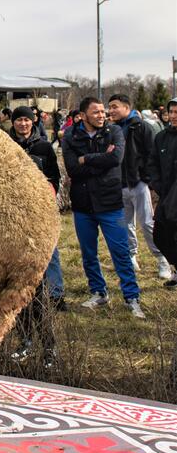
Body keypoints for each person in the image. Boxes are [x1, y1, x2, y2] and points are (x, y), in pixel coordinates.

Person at [62, 97, 143, 318]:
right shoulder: (70, 135)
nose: (102, 115)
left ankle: (132, 296)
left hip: (110, 203)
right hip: (83, 204)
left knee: (121, 252)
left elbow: (115, 159)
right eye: (96, 112)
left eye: (102, 111)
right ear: (83, 116)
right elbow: (72, 169)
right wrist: (100, 159)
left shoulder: (114, 131)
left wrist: (85, 159)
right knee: (89, 253)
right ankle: (98, 291)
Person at [7, 106, 64, 366]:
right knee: (16, 290)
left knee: (37, 289)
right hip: (13, 220)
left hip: (37, 220)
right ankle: (25, 340)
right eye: (19, 119)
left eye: (26, 120)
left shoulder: (43, 147)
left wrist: (43, 198)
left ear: (33, 122)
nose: (23, 124)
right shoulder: (5, 145)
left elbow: (55, 179)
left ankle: (49, 346)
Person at [107, 93, 171, 278]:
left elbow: (152, 155)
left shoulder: (142, 127)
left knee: (147, 223)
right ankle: (131, 256)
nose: (111, 111)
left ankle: (162, 259)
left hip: (138, 183)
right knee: (125, 224)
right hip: (120, 184)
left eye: (114, 106)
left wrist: (147, 179)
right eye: (110, 107)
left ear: (127, 107)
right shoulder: (112, 129)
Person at [149, 98, 177, 288]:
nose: (173, 116)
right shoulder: (161, 137)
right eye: (171, 112)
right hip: (166, 196)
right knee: (160, 235)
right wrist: (158, 185)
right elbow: (152, 164)